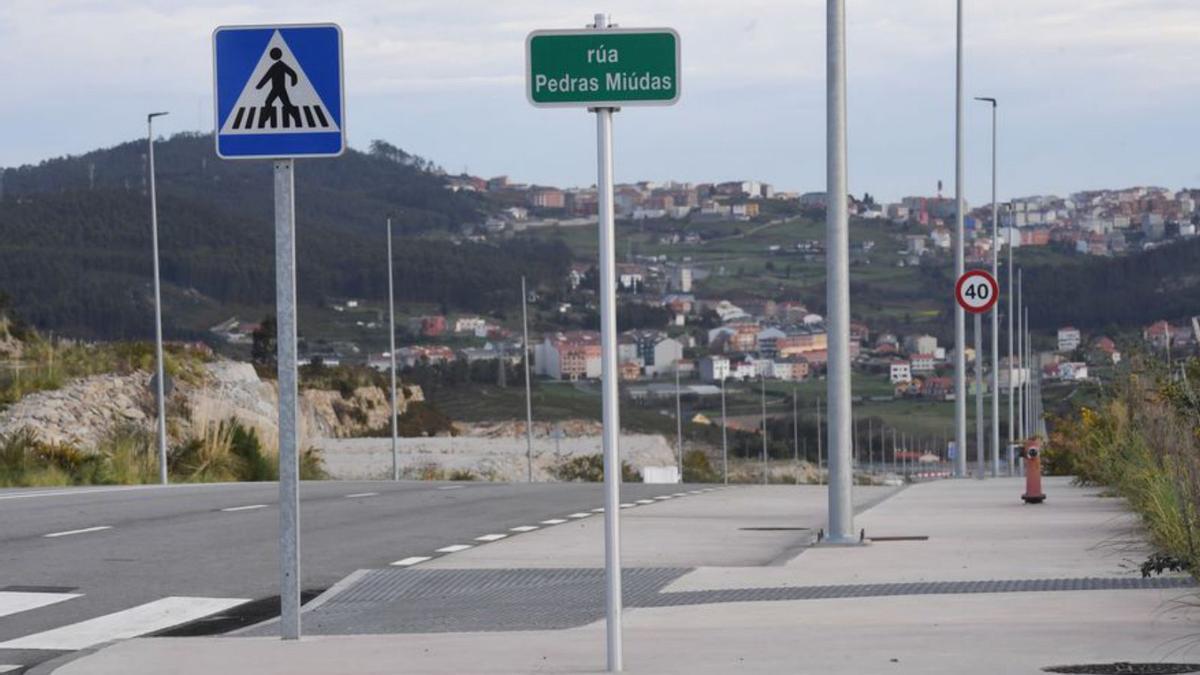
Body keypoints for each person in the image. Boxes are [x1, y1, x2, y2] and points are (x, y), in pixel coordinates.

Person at [256, 47, 301, 127]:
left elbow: (292, 73)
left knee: (278, 103)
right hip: (276, 89)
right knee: (271, 102)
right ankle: (266, 117)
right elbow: (267, 76)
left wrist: (293, 82)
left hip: (279, 89)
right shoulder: (279, 65)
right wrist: (259, 86)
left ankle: (296, 117)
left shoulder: (279, 65)